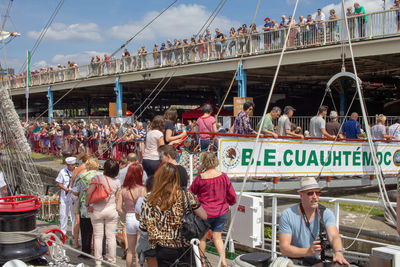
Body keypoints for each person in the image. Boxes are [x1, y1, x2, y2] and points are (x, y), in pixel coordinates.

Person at [139, 163, 207, 266]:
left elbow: (143, 226)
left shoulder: (149, 198)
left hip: (162, 247)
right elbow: (204, 216)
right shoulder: (185, 194)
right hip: (184, 245)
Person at [279, 177, 350, 266]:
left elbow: (334, 236)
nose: (315, 197)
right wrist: (308, 251)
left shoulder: (326, 213)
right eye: (310, 193)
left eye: (317, 193)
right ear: (301, 195)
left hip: (315, 261)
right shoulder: (287, 215)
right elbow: (284, 249)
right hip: (293, 260)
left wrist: (338, 253)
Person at [189, 152, 236, 267]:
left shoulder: (201, 178)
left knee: (203, 238)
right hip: (221, 211)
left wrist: (199, 172)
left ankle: (202, 263)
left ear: (204, 162)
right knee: (218, 237)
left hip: (205, 213)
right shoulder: (223, 176)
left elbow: (191, 192)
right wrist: (230, 202)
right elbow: (231, 195)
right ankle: (223, 262)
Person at [86, 159, 121, 267]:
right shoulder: (117, 182)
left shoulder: (97, 178)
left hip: (97, 210)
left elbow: (88, 193)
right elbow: (118, 198)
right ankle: (112, 261)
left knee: (98, 237)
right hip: (111, 210)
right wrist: (118, 209)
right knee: (111, 237)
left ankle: (98, 262)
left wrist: (88, 205)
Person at [117, 164, 147, 267]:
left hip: (129, 217)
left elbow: (118, 208)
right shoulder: (143, 189)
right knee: (139, 251)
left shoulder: (123, 190)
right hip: (140, 218)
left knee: (130, 250)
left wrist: (126, 213)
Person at [72, 157, 99, 258]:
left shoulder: (81, 176)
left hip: (85, 206)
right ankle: (100, 251)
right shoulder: (101, 175)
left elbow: (75, 191)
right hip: (99, 205)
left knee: (86, 230)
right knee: (98, 232)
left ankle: (86, 251)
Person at [71, 153, 91, 249]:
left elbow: (72, 184)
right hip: (84, 196)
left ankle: (75, 242)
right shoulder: (88, 170)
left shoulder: (77, 169)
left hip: (76, 195)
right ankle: (89, 244)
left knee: (76, 220)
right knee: (87, 220)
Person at [56, 156, 76, 237]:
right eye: (70, 165)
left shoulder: (77, 171)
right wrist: (65, 189)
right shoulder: (62, 172)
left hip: (73, 196)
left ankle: (74, 232)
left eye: (73, 165)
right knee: (63, 214)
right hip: (65, 196)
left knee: (74, 214)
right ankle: (63, 232)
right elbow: (60, 183)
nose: (72, 167)